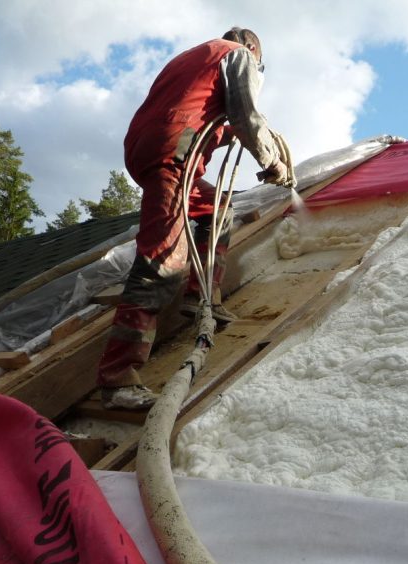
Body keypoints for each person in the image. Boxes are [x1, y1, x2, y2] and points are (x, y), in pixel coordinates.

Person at [98, 27, 291, 410]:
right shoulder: (236, 55)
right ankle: (118, 379)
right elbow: (247, 114)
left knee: (217, 209)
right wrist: (273, 161)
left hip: (149, 147)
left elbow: (205, 111)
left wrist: (226, 131)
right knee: (163, 262)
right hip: (173, 152)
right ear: (253, 49)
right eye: (260, 63)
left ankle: (202, 297)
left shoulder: (194, 59)